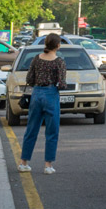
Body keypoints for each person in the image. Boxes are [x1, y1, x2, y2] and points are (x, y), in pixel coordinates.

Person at [19, 34, 66, 175]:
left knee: (31, 129)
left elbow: (29, 78)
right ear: (57, 46)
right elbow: (62, 83)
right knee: (52, 131)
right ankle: (48, 165)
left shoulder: (36, 58)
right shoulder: (59, 62)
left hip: (36, 93)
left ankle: (23, 163)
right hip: (51, 94)